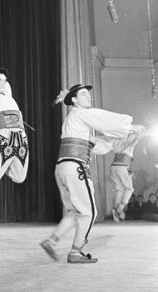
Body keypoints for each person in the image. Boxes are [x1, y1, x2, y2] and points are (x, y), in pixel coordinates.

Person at [40, 84, 134, 264]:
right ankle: (76, 252)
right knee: (88, 212)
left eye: (88, 93)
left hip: (63, 167)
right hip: (75, 167)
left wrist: (116, 139)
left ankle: (51, 241)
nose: (88, 96)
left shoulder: (74, 120)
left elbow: (94, 145)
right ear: (74, 100)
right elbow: (103, 119)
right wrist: (129, 126)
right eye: (83, 94)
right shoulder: (80, 113)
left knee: (72, 212)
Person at [92, 126, 145, 222]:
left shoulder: (117, 141)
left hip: (113, 167)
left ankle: (115, 208)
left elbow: (106, 138)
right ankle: (121, 207)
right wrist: (140, 131)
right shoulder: (130, 141)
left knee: (119, 189)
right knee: (129, 188)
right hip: (122, 167)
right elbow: (138, 136)